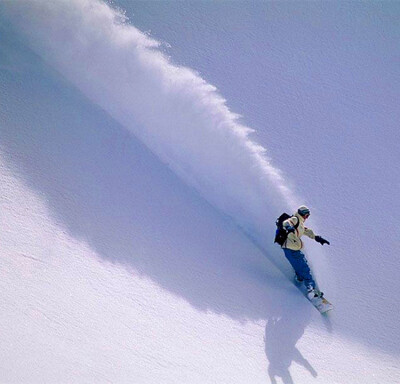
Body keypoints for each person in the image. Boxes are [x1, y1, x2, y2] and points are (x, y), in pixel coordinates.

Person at [282, 205, 330, 300]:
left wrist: (317, 238)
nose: (307, 217)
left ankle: (299, 279)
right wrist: (288, 227)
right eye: (307, 215)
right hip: (292, 250)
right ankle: (312, 291)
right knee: (305, 267)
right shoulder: (295, 219)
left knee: (300, 267)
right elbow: (286, 222)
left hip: (291, 249)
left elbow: (307, 231)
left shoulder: (300, 224)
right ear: (303, 214)